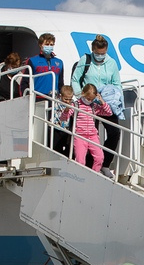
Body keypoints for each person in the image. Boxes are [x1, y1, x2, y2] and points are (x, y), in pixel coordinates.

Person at [73, 35, 121, 177]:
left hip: (104, 103)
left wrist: (111, 98)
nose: (101, 56)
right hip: (89, 102)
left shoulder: (111, 63)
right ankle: (89, 165)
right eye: (98, 54)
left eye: (103, 54)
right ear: (93, 50)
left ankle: (105, 164)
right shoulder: (85, 60)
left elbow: (117, 84)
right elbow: (75, 79)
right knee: (90, 132)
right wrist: (81, 96)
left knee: (114, 132)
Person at [70, 83, 114, 173]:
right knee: (80, 160)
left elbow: (109, 113)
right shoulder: (76, 105)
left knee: (100, 157)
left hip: (92, 136)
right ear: (83, 93)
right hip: (80, 136)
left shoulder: (93, 106)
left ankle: (95, 174)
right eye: (88, 98)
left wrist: (102, 101)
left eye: (92, 99)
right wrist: (66, 111)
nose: (89, 101)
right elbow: (65, 116)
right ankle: (80, 175)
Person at [26, 33, 64, 101]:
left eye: (51, 45)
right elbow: (25, 81)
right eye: (47, 44)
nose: (49, 46)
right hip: (38, 97)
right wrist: (26, 98)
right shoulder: (32, 60)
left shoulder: (59, 62)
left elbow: (60, 83)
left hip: (54, 98)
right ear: (41, 45)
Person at [51, 83, 75, 156]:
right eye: (66, 99)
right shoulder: (56, 102)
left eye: (70, 99)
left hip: (67, 129)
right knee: (57, 147)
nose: (68, 101)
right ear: (61, 96)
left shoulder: (73, 104)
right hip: (57, 128)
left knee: (69, 147)